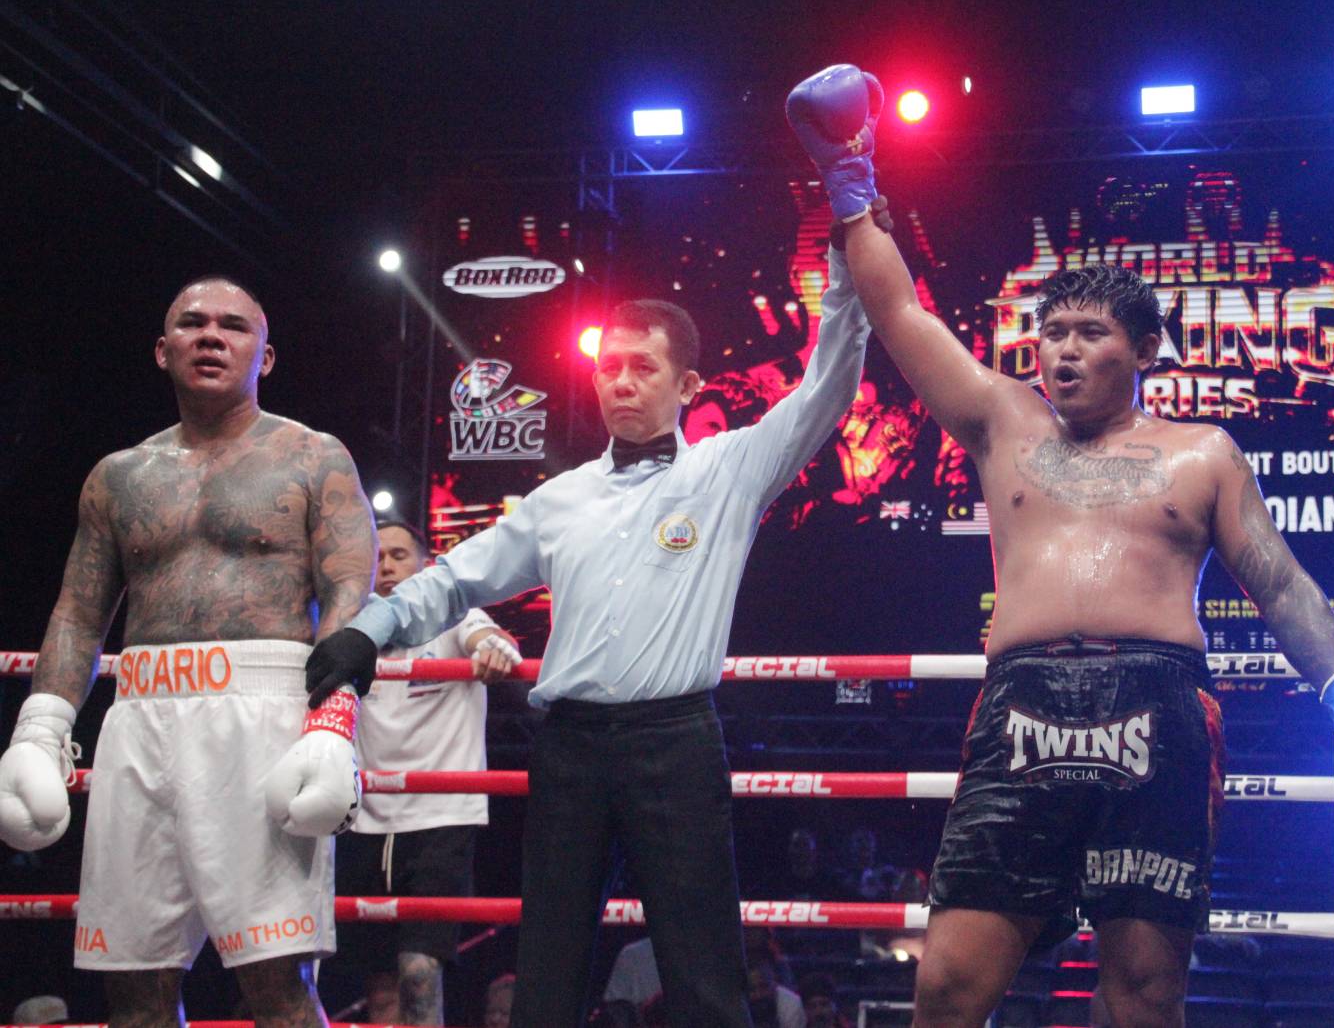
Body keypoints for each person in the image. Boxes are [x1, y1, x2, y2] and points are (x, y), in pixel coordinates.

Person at [787, 64, 1334, 1027]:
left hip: (1157, 708)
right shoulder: (1001, 420)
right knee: (949, 982)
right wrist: (848, 175)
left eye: (1089, 332)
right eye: (1050, 333)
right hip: (1022, 706)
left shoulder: (1201, 452)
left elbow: (1281, 585)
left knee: (1142, 991)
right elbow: (901, 313)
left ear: (1142, 352)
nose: (1063, 350)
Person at [306, 231, 873, 1020]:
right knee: (548, 972)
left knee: (705, 973)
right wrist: (368, 629)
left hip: (674, 740)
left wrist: (844, 256)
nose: (621, 381)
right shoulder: (561, 498)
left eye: (643, 366)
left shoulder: (729, 469)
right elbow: (455, 575)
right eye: (608, 366)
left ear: (688, 384)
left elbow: (826, 387)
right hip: (569, 747)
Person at [0, 277, 375, 1025]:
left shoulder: (313, 457)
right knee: (132, 985)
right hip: (141, 716)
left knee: (275, 980)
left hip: (262, 715)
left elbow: (349, 592)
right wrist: (39, 730)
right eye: (193, 323)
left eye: (234, 326)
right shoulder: (118, 476)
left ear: (265, 356)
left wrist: (333, 721)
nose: (211, 336)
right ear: (161, 350)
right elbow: (78, 612)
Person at [330, 518, 522, 1025]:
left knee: (419, 970)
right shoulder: (352, 633)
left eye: (399, 555)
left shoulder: (456, 617)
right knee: (379, 989)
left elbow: (489, 637)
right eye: (378, 558)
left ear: (426, 564)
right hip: (364, 819)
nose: (387, 567)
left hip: (440, 819)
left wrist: (495, 648)